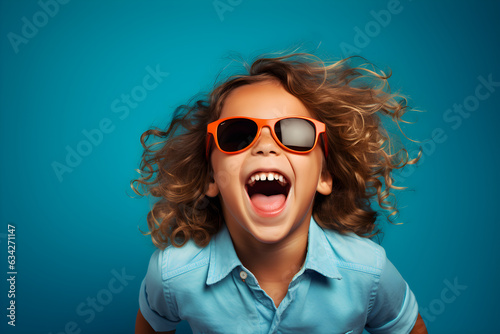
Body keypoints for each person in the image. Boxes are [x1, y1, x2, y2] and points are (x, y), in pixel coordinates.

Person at [132, 52, 428, 333]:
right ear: (211, 177)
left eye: (295, 133)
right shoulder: (172, 274)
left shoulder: (369, 270)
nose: (265, 145)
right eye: (237, 135)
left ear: (324, 175)